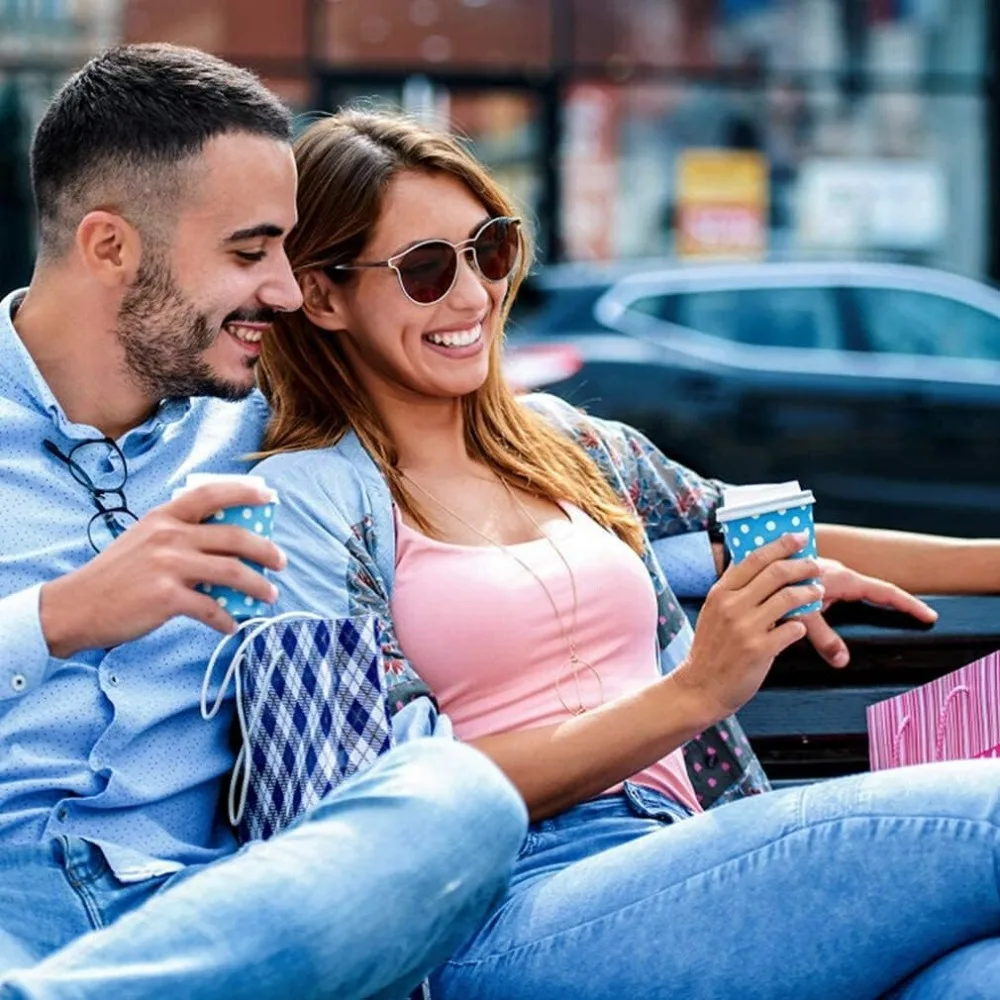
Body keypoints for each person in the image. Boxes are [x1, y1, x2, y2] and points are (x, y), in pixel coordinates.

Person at [252, 108, 1000, 1000]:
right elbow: (383, 802)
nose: (471, 297)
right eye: (423, 270)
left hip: (682, 849)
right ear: (325, 295)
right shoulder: (305, 501)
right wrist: (691, 692)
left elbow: (754, 531)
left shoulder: (569, 444)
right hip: (502, 908)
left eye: (487, 250)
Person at [0, 47, 527, 1000]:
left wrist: (771, 546)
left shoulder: (278, 428)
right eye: (250, 253)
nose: (285, 291)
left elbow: (533, 475)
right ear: (110, 245)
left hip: (214, 915)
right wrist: (60, 617)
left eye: (286, 248)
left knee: (463, 800)